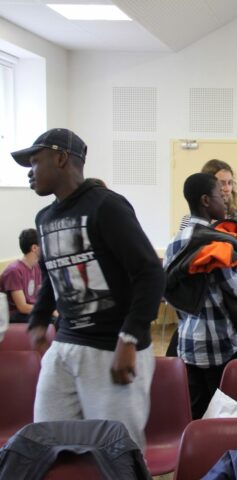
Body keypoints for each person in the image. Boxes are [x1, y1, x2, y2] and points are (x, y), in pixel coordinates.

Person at [11, 128, 165, 450]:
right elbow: (53, 276)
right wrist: (39, 319)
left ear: (61, 158)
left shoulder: (106, 206)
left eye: (35, 161)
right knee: (48, 444)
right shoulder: (44, 218)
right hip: (65, 343)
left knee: (116, 451)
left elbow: (150, 272)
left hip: (112, 347)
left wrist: (129, 339)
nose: (30, 172)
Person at [164, 173, 237, 419]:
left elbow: (169, 291)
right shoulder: (219, 242)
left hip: (187, 342)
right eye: (219, 196)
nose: (225, 201)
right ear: (205, 200)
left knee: (195, 413)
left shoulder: (174, 242)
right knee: (224, 414)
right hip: (221, 343)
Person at [0, 229, 42, 323]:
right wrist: (47, 310)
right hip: (15, 314)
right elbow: (22, 307)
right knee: (50, 320)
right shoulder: (14, 271)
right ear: (34, 248)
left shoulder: (36, 266)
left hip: (29, 309)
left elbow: (40, 294)